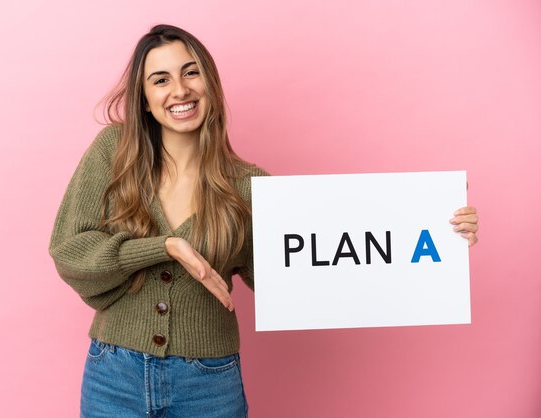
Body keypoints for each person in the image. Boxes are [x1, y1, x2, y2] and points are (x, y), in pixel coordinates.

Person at [49, 24, 479, 418]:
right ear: (144, 98)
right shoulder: (114, 152)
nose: (179, 90)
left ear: (210, 83)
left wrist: (435, 232)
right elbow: (70, 253)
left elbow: (300, 272)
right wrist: (165, 246)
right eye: (160, 80)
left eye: (190, 72)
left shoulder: (249, 184)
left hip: (208, 381)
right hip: (114, 373)